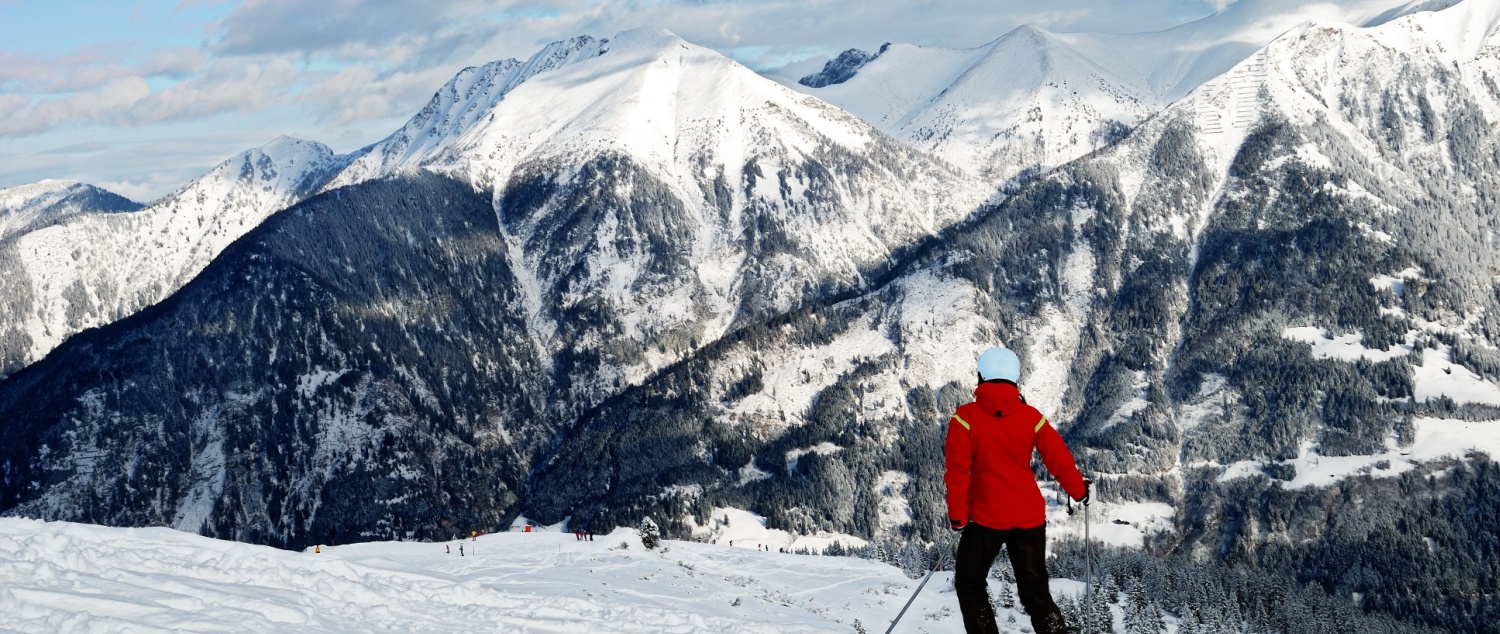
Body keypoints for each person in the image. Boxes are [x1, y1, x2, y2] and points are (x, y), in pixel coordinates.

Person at [945, 346, 1090, 634]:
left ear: (981, 377)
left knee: (969, 583)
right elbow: (1058, 459)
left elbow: (958, 472)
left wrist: (958, 518)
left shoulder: (964, 418)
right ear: (1015, 380)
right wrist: (1079, 492)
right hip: (1029, 518)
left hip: (985, 519)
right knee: (1035, 592)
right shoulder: (1031, 417)